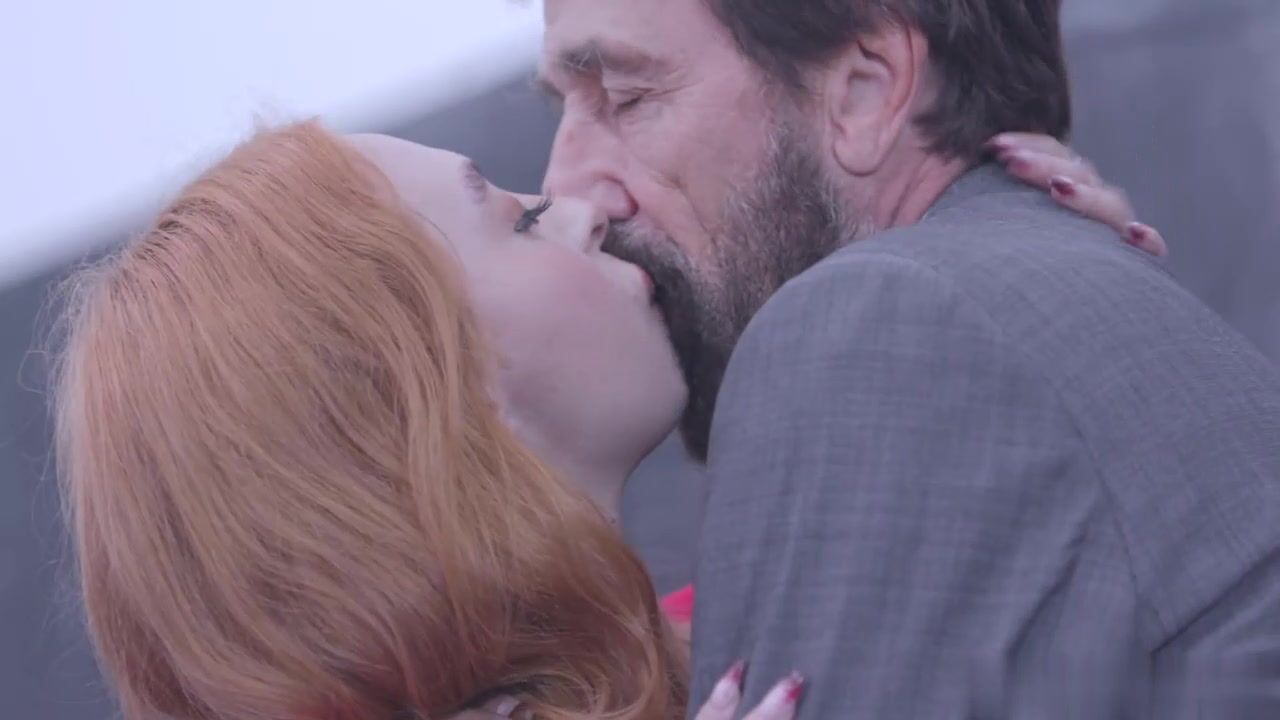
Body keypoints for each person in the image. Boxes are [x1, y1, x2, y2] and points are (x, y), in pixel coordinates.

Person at [53, 117, 1155, 719]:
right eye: (515, 218)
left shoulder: (743, 634)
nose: (580, 208)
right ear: (402, 398)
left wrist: (1077, 318)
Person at [535, 0, 1280, 716]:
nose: (563, 188)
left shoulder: (882, 321)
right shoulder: (1006, 313)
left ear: (865, 94)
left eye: (628, 97)